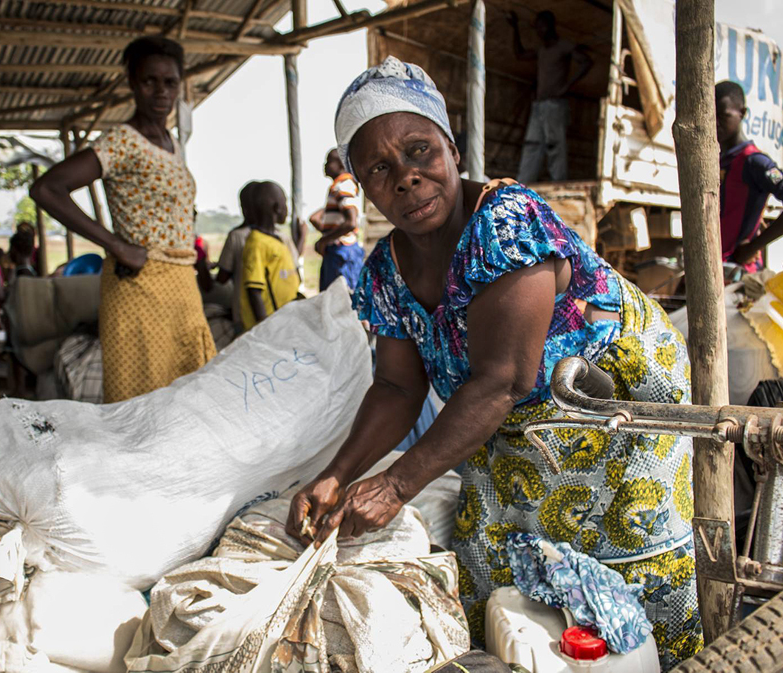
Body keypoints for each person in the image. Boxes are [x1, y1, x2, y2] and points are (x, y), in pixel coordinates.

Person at [286, 57, 701, 671]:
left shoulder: (505, 222)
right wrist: (338, 473)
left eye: (420, 151)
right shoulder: (384, 271)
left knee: (629, 582)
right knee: (491, 563)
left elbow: (505, 376)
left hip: (615, 404)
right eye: (379, 168)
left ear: (452, 149)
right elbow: (398, 386)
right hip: (504, 416)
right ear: (363, 186)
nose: (406, 179)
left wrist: (398, 484)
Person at [31, 35, 215, 403]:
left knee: (187, 400)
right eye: (150, 81)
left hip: (181, 287)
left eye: (170, 82)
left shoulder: (173, 143)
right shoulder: (121, 141)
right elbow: (47, 189)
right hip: (139, 286)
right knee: (142, 402)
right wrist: (116, 245)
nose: (161, 91)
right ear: (132, 83)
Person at [715, 81, 783, 271]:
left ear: (742, 113)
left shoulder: (754, 162)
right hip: (713, 269)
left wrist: (754, 247)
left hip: (738, 275)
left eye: (723, 115)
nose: (716, 123)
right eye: (711, 117)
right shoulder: (717, 160)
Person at [508, 10, 592, 183]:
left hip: (555, 104)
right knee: (532, 145)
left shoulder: (563, 46)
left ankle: (559, 184)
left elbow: (586, 61)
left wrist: (566, 87)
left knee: (555, 146)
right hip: (539, 105)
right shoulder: (542, 51)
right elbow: (520, 55)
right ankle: (522, 185)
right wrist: (515, 27)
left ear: (550, 25)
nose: (539, 30)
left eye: (541, 26)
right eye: (537, 27)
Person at [240, 182, 300, 330]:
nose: (287, 208)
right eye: (285, 203)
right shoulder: (257, 242)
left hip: (284, 321)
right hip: (271, 326)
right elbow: (254, 290)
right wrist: (265, 327)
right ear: (277, 208)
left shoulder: (276, 240)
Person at [309, 149, 365, 291]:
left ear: (341, 164)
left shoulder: (345, 185)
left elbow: (351, 222)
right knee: (332, 300)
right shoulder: (337, 187)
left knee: (342, 300)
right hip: (337, 251)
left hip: (342, 251)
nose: (325, 165)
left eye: (329, 161)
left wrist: (324, 240)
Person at [215, 181, 259, 333]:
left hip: (242, 314)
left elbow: (222, 278)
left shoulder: (236, 236)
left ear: (244, 208)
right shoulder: (279, 237)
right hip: (273, 311)